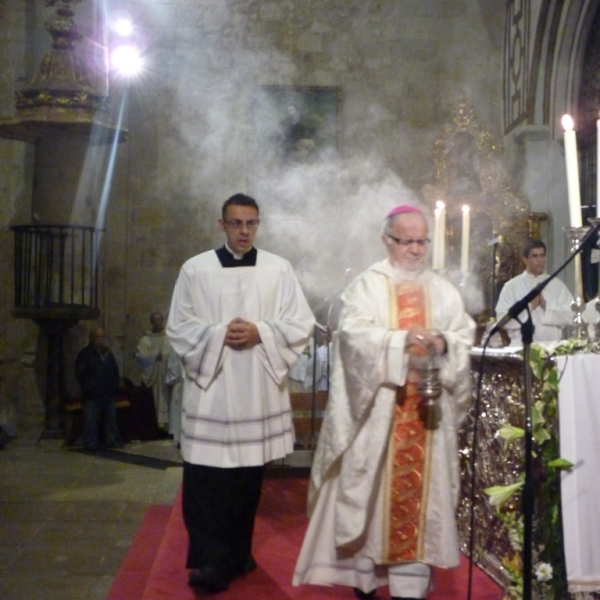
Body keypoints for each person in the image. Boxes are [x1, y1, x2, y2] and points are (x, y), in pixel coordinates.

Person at [293, 205, 475, 600]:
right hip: (379, 418)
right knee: (373, 508)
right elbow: (352, 337)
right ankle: (366, 580)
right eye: (406, 240)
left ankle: (410, 588)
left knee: (419, 517)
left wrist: (443, 342)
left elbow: (463, 335)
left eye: (422, 241)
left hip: (426, 420)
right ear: (386, 240)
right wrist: (399, 341)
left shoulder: (442, 289)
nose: (415, 249)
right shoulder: (367, 286)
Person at [166, 193, 315, 593]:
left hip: (254, 391)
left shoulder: (277, 269)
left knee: (247, 479)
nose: (244, 231)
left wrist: (260, 332)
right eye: (236, 223)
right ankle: (211, 561)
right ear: (222, 224)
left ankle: (237, 551)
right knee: (205, 478)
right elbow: (178, 326)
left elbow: (300, 321)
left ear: (258, 225)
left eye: (251, 224)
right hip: (212, 391)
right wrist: (218, 334)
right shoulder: (195, 270)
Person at [495, 240, 574, 345]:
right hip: (521, 348)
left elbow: (571, 315)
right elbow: (502, 320)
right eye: (535, 256)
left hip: (553, 346)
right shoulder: (511, 286)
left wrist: (546, 306)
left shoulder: (557, 285)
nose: (539, 260)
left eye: (542, 256)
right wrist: (530, 306)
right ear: (525, 259)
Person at [74, 327, 122, 451]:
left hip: (108, 392)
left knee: (110, 419)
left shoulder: (107, 353)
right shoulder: (85, 354)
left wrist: (114, 385)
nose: (100, 340)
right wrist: (89, 386)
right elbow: (80, 373)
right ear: (91, 338)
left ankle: (111, 440)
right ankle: (90, 442)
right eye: (97, 337)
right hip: (92, 394)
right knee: (90, 419)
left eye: (101, 337)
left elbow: (114, 371)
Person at [136, 312, 172, 430]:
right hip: (152, 378)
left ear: (163, 321)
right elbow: (141, 358)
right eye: (154, 320)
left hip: (165, 377)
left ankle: (167, 425)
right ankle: (152, 425)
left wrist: (164, 356)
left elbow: (174, 356)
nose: (157, 323)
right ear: (151, 322)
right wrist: (155, 355)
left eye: (159, 320)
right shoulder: (145, 340)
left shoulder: (169, 338)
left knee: (166, 398)